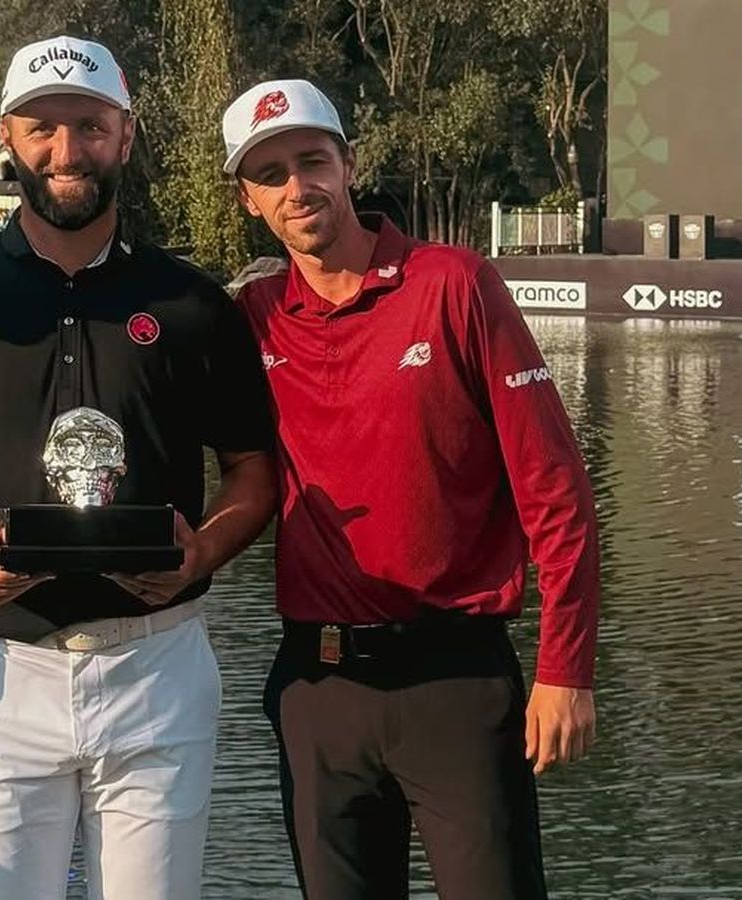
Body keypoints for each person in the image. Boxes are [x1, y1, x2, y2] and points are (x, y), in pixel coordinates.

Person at [0, 35, 277, 900]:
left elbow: (253, 469)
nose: (68, 150)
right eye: (43, 128)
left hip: (158, 665)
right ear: (7, 137)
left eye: (90, 126)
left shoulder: (192, 303)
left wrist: (203, 553)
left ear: (125, 135)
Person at [221, 79, 601, 900]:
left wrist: (565, 668)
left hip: (455, 683)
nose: (298, 187)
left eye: (313, 161)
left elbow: (556, 493)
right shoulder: (253, 317)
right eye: (271, 174)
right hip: (319, 691)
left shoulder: (454, 284)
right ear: (248, 199)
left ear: (349, 164)